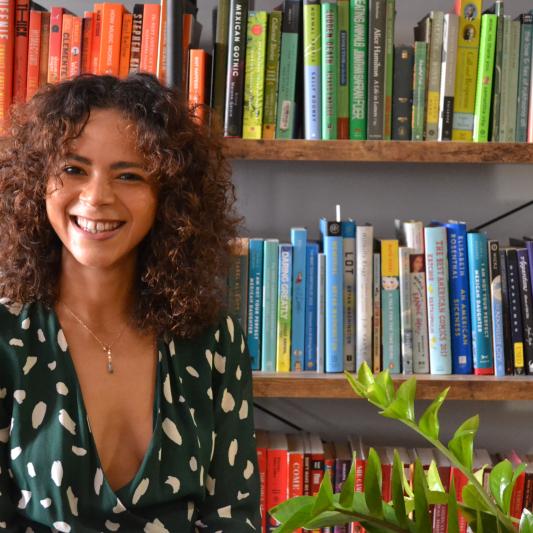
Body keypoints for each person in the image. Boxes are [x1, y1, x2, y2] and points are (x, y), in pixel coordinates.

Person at [0, 74, 260, 532]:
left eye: (129, 175)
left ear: (170, 198)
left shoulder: (214, 339)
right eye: (74, 169)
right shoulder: (5, 337)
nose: (97, 197)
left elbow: (233, 519)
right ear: (37, 181)